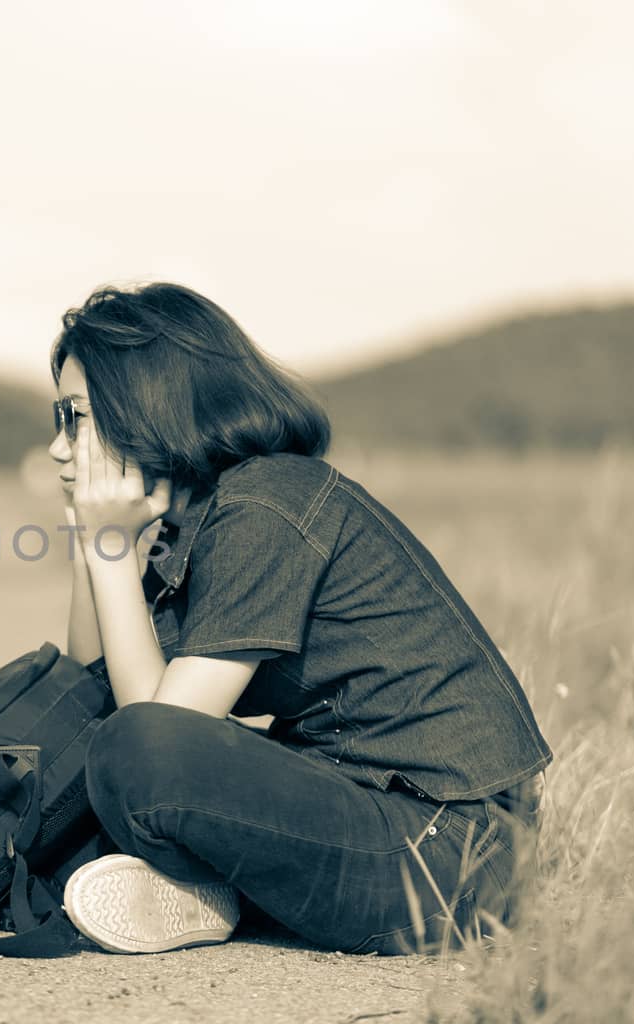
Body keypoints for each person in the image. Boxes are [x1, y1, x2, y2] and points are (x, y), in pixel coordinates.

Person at [46, 281, 551, 956]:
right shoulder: (194, 521)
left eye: (74, 417)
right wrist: (94, 541)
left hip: (448, 855)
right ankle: (201, 889)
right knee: (92, 744)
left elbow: (157, 738)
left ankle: (203, 890)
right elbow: (97, 681)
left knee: (131, 749)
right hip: (371, 811)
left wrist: (111, 551)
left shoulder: (267, 505)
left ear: (144, 403)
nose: (58, 446)